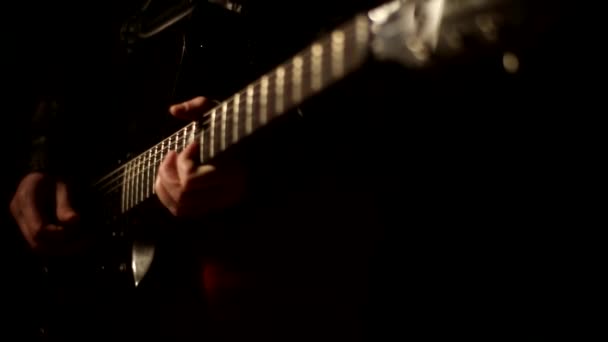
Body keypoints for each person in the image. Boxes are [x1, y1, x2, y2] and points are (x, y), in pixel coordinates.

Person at [9, 0, 386, 340]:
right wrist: (41, 160)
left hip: (260, 278)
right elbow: (69, 60)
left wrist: (261, 165)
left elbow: (370, 121)